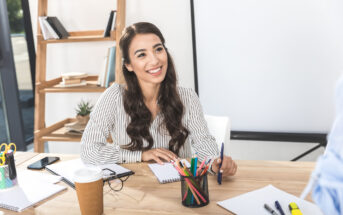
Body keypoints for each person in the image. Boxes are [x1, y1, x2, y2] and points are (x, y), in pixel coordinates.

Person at [81, 22, 237, 177]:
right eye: (142, 54)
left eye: (158, 49)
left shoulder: (188, 97)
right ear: (129, 65)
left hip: (179, 189)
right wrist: (141, 155)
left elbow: (204, 143)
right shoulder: (114, 96)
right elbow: (89, 151)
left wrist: (215, 163)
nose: (155, 60)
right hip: (133, 188)